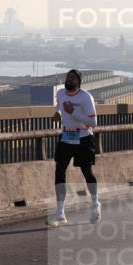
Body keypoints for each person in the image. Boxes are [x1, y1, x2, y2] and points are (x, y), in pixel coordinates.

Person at [48, 69, 100, 226]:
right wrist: (57, 113)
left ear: (79, 81)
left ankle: (95, 204)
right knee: (59, 171)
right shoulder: (61, 93)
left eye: (72, 78)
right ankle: (60, 213)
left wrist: (73, 112)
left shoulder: (85, 97)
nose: (69, 79)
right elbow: (59, 104)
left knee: (87, 172)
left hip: (83, 138)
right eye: (67, 77)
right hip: (66, 138)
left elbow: (93, 123)